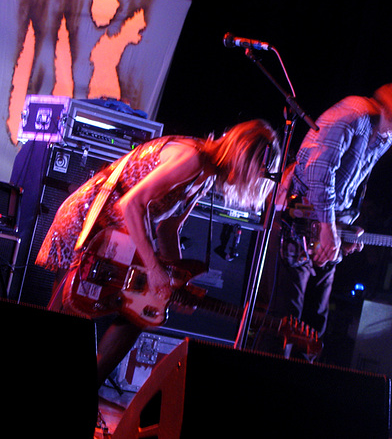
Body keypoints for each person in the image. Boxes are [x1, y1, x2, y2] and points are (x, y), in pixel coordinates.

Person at [35, 119, 280, 387]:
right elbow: (131, 204)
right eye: (262, 167)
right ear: (245, 154)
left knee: (141, 315)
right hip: (90, 224)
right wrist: (153, 269)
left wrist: (176, 285)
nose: (260, 175)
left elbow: (168, 228)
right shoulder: (192, 158)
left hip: (118, 240)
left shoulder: (205, 176)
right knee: (69, 315)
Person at [258, 79, 392, 359]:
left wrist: (345, 230)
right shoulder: (353, 115)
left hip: (325, 229)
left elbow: (348, 188)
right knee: (283, 321)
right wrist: (328, 228)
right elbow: (319, 171)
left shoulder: (383, 138)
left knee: (313, 326)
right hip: (297, 223)